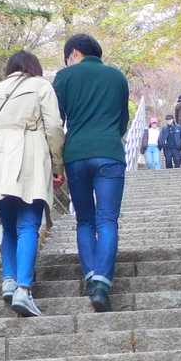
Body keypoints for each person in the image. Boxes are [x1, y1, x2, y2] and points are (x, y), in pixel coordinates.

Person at [0, 50, 64, 318]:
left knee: (8, 226)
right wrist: (58, 165)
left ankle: (8, 281)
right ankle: (23, 289)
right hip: (29, 157)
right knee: (28, 224)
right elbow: (54, 128)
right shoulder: (41, 86)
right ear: (34, 66)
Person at [52, 32, 129, 312]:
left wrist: (55, 163)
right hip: (109, 152)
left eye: (67, 58)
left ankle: (90, 277)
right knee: (107, 219)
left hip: (76, 154)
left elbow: (55, 121)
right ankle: (102, 284)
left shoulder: (64, 77)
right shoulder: (117, 77)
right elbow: (123, 122)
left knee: (85, 220)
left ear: (74, 53)